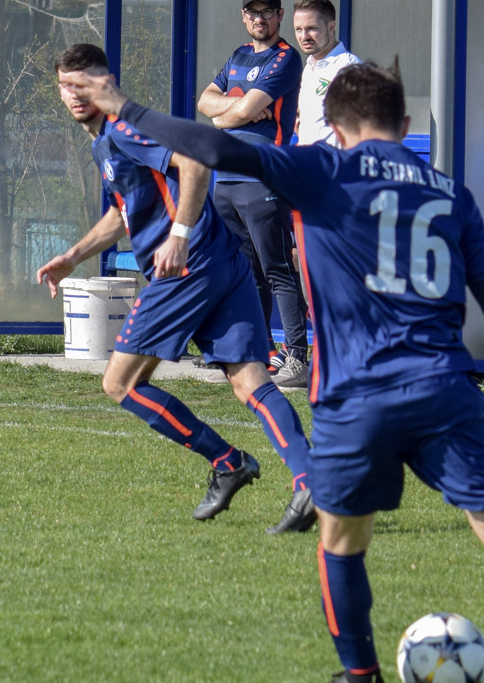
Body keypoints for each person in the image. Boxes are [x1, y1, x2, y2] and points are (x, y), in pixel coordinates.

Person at [59, 60, 484, 683]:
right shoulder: (450, 195)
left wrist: (124, 106)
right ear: (404, 122)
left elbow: (212, 147)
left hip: (357, 395)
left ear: (337, 131)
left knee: (341, 539)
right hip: (444, 388)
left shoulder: (324, 169)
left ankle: (361, 678)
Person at [36, 43, 316, 534]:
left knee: (120, 384)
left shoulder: (125, 128)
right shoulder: (105, 141)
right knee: (250, 382)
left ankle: (227, 462)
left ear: (107, 83)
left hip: (188, 269)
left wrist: (181, 235)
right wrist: (73, 256)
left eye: (85, 83)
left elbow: (194, 164)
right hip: (223, 262)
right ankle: (310, 481)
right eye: (66, 85)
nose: (75, 94)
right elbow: (124, 212)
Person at [196, 0, 310, 391]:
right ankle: (253, 353)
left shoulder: (286, 58)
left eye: (266, 12)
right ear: (244, 16)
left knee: (277, 269)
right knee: (246, 273)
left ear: (279, 16)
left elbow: (229, 110)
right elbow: (204, 102)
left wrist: (229, 111)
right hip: (226, 178)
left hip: (262, 177)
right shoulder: (239, 55)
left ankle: (297, 357)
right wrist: (236, 109)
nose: (259, 19)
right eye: (252, 12)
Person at [291, 0, 362, 147]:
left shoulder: (349, 68)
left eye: (311, 28)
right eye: (298, 29)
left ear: (331, 27)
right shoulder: (309, 68)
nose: (304, 36)